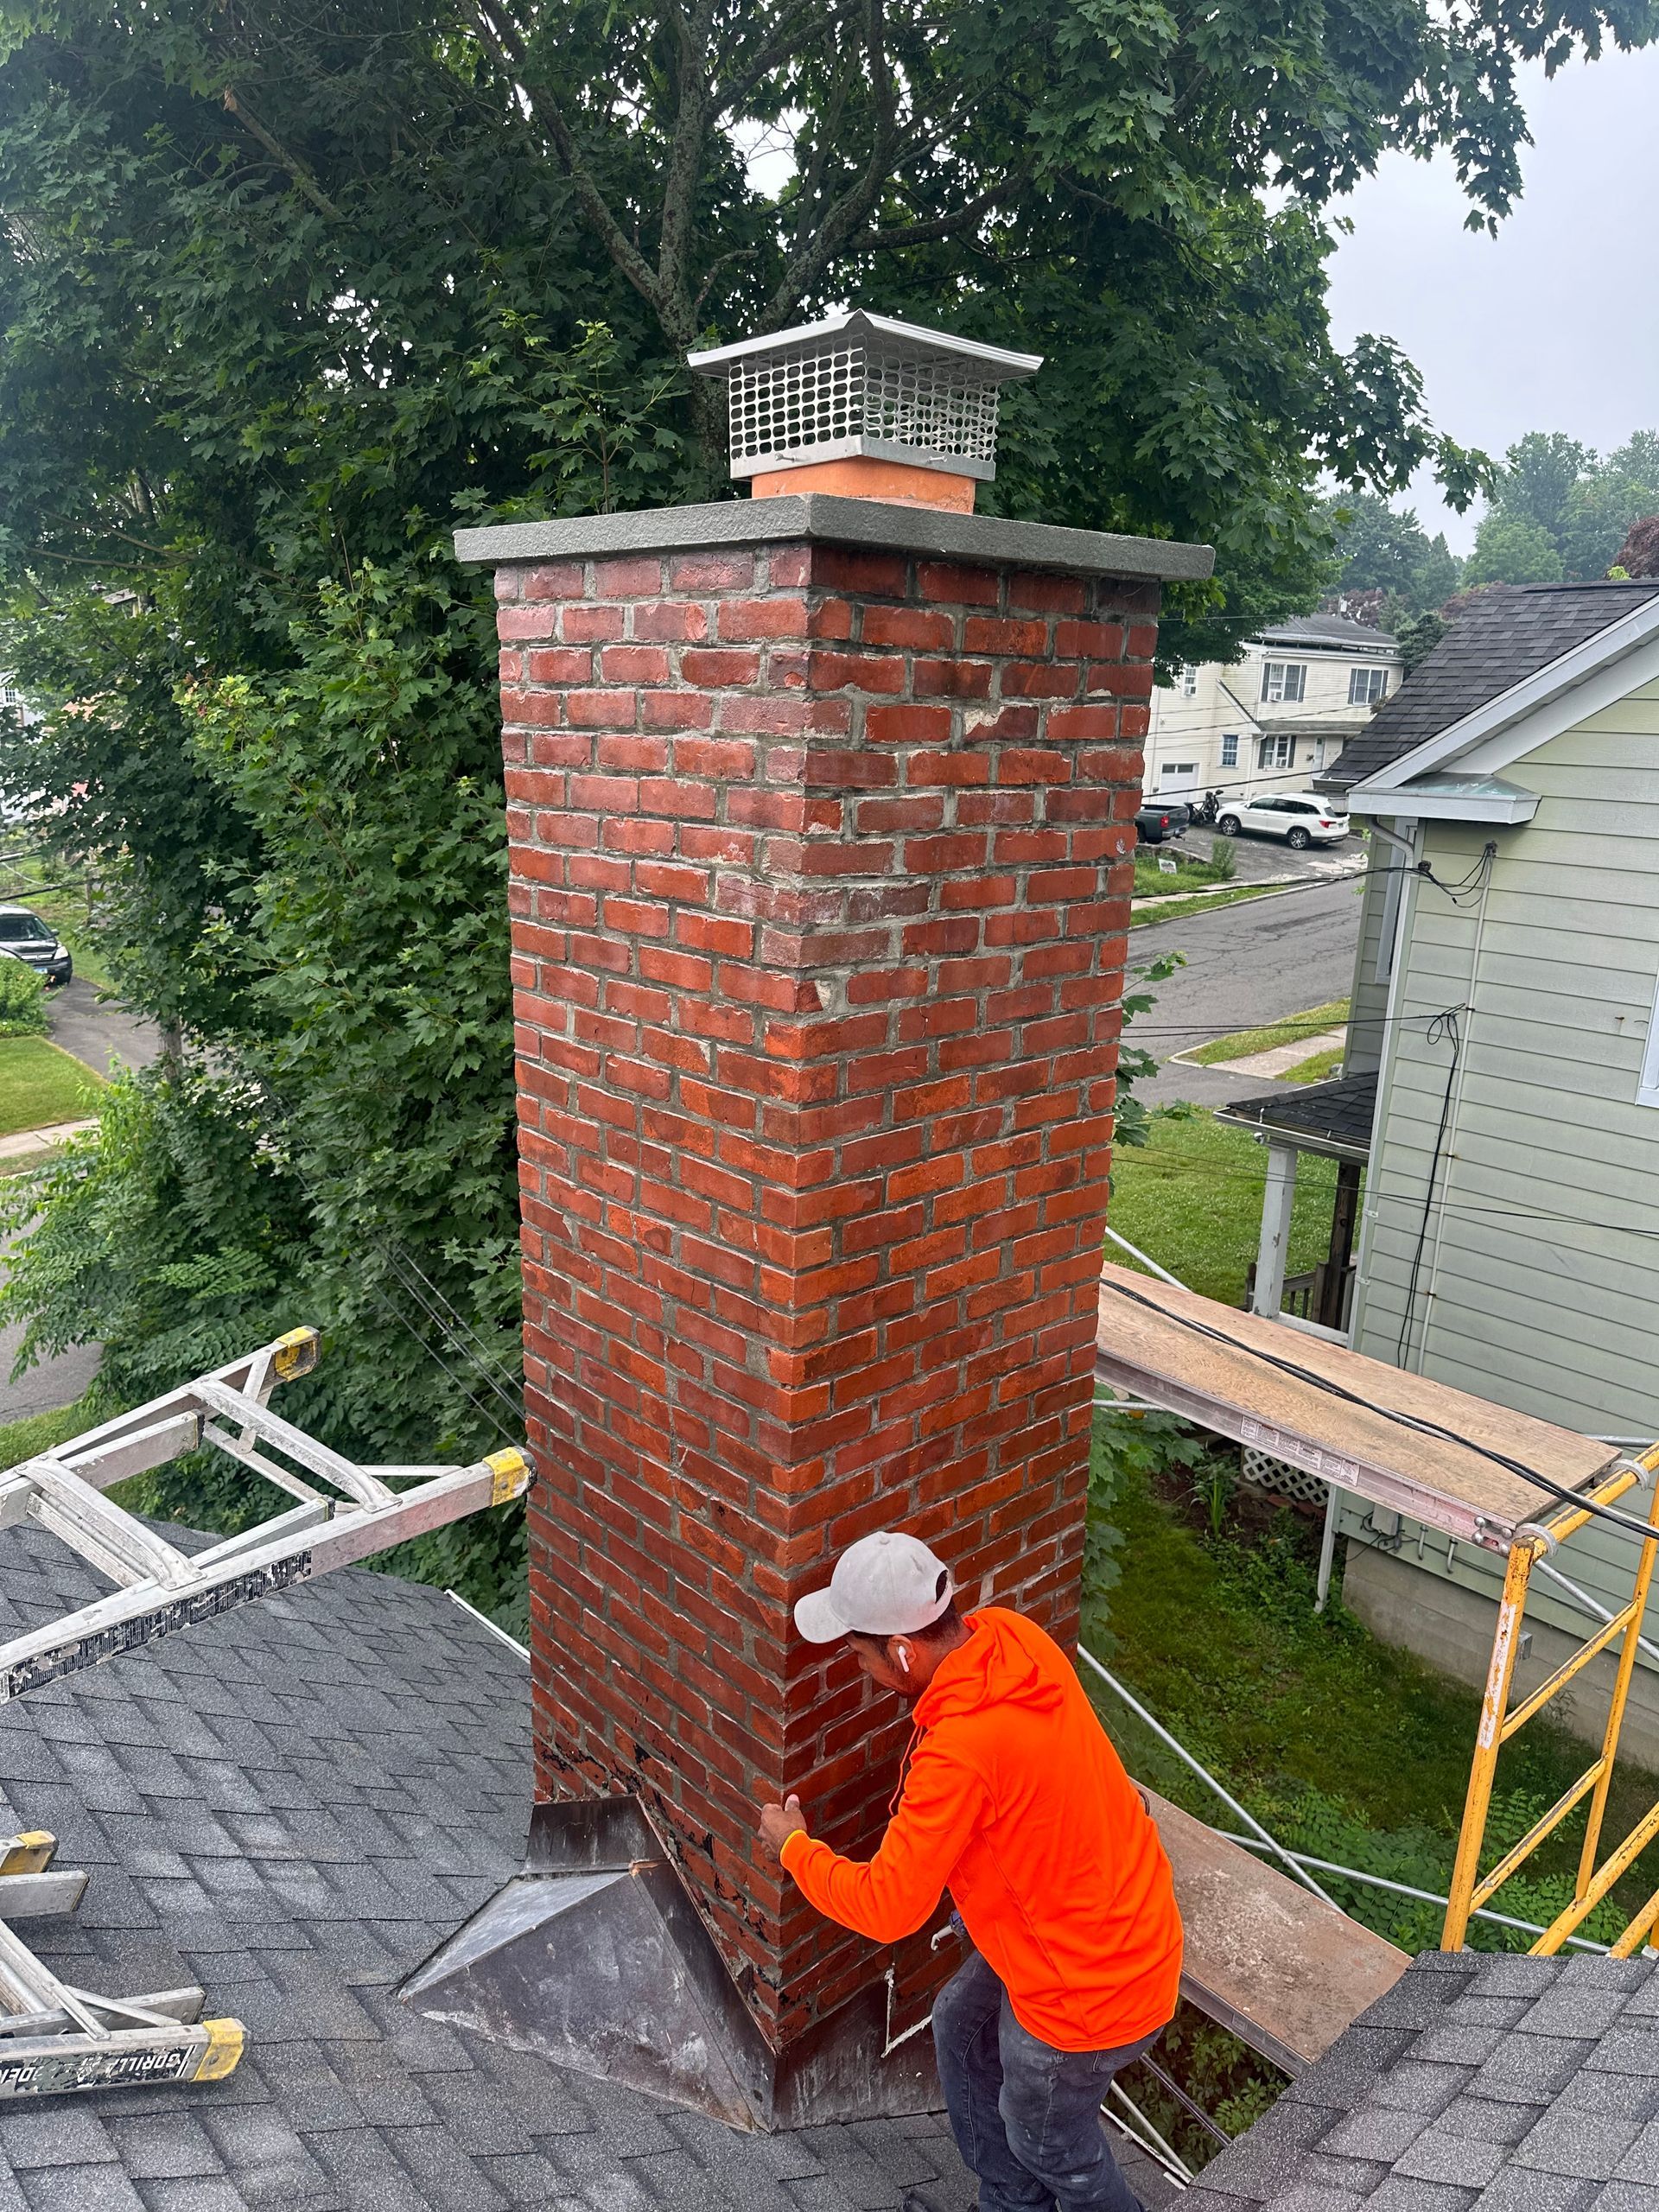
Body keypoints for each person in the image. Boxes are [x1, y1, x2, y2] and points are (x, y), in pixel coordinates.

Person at [757, 1529, 1182, 2212]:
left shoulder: (959, 1751)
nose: (859, 1670)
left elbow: (888, 1908)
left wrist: (794, 1849)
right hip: (1112, 1922)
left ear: (903, 1652)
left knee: (1051, 2143)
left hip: (1088, 1992)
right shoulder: (1010, 1638)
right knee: (960, 2022)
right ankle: (1009, 2202)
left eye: (859, 1656)